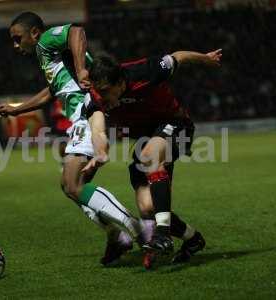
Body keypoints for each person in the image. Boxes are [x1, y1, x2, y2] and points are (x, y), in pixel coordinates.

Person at [0, 12, 146, 265]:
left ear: (34, 33)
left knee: (72, 183)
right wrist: (16, 109)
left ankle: (138, 230)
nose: (16, 45)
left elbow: (76, 31)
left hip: (87, 114)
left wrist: (81, 69)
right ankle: (115, 236)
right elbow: (51, 92)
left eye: (18, 38)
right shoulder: (46, 59)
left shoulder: (46, 41)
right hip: (81, 118)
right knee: (71, 187)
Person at [89, 49, 222, 267]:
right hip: (146, 138)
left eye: (106, 91)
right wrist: (100, 151)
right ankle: (193, 238)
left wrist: (205, 59)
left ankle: (162, 234)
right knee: (148, 207)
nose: (102, 97)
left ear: (121, 82)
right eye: (99, 92)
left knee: (150, 155)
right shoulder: (95, 95)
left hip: (176, 125)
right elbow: (98, 129)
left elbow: (178, 57)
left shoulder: (146, 71)